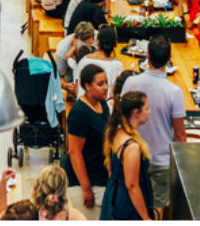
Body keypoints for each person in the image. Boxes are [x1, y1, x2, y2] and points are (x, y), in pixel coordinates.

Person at [122, 36, 185, 215]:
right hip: (162, 161)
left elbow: (122, 119)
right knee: (157, 210)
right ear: (170, 57)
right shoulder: (174, 92)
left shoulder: (130, 83)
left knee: (133, 205)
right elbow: (180, 135)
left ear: (147, 56)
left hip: (133, 157)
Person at [99, 91, 156, 222]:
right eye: (146, 108)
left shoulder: (115, 132)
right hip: (128, 204)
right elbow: (132, 186)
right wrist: (146, 217)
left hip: (113, 195)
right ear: (136, 113)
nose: (149, 112)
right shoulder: (131, 147)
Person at [65, 64, 109, 218]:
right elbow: (74, 152)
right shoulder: (79, 113)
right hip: (82, 180)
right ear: (87, 86)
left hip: (98, 174)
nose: (106, 87)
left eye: (106, 82)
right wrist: (86, 187)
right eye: (100, 84)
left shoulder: (103, 105)